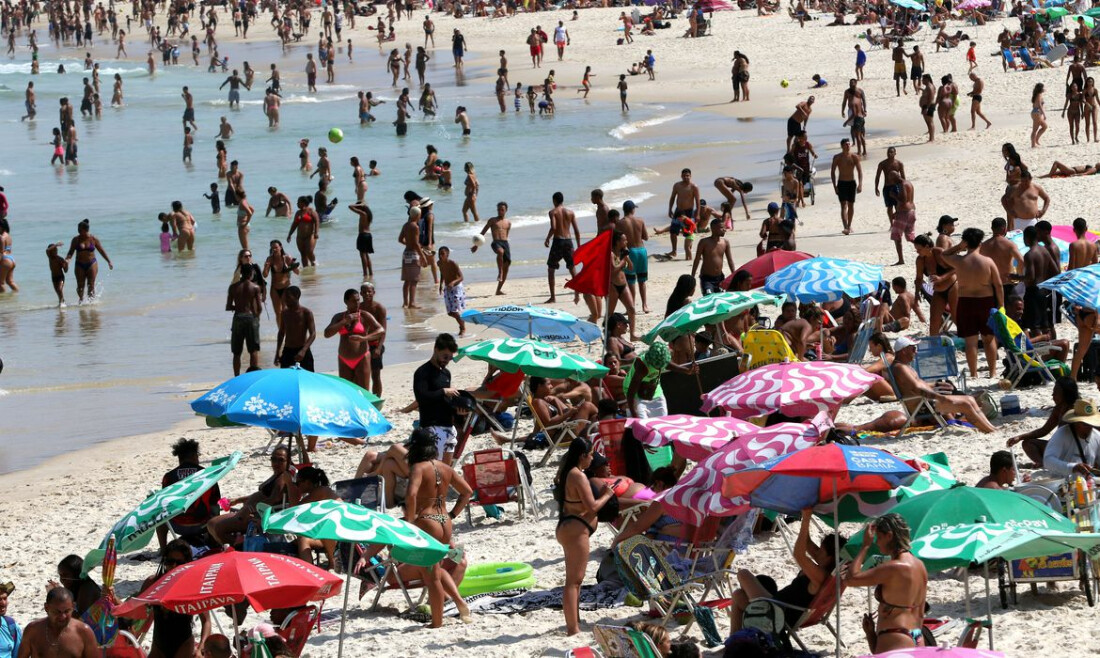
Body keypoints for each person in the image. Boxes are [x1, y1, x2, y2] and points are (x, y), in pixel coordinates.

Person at [402, 429, 473, 627]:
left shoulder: (418, 467)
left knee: (431, 575)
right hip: (445, 522)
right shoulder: (445, 467)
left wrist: (410, 520)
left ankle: (437, 622)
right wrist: (452, 514)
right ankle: (458, 603)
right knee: (437, 566)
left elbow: (411, 495)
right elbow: (467, 492)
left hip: (427, 521)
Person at [728, 509, 842, 632]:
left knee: (743, 574)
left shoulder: (819, 576)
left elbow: (799, 554)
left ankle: (745, 633)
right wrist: (805, 517)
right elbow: (807, 544)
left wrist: (807, 519)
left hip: (776, 613)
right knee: (738, 595)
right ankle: (735, 640)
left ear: (830, 557)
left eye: (821, 550)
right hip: (780, 607)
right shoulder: (826, 572)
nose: (817, 551)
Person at [555, 437, 614, 636]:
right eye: (590, 455)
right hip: (575, 530)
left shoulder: (569, 472)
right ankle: (572, 629)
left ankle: (575, 620)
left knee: (574, 581)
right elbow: (592, 507)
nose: (592, 460)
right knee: (574, 581)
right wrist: (607, 494)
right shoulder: (577, 476)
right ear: (582, 456)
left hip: (570, 526)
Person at [845, 514, 927, 653]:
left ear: (889, 536)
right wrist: (871, 633)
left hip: (896, 636)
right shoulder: (920, 566)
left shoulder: (895, 567)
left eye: (879, 537)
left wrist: (865, 546)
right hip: (917, 636)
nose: (876, 543)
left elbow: (851, 579)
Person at [936, 228, 1002, 377]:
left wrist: (960, 246)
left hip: (966, 302)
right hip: (986, 301)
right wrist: (1001, 305)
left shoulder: (959, 261)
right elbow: (998, 285)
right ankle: (992, 372)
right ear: (980, 242)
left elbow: (944, 254)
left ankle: (973, 373)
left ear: (966, 242)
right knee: (989, 338)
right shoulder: (987, 261)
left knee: (970, 341)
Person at [207, 446, 297, 545]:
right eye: (273, 459)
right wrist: (238, 500)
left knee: (218, 528)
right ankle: (236, 545)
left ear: (288, 461)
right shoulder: (277, 474)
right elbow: (261, 495)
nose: (276, 463)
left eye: (281, 460)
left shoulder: (283, 478)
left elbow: (274, 499)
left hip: (259, 516)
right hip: (249, 513)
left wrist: (250, 508)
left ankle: (238, 549)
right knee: (211, 523)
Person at [140, 539, 211, 658]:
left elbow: (206, 621)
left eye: (179, 562)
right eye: (170, 561)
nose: (173, 566)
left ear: (186, 563)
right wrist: (112, 596)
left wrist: (201, 648)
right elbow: (134, 609)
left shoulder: (192, 586)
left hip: (184, 645)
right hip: (158, 645)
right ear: (164, 561)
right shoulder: (153, 583)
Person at [155, 439, 221, 550]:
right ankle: (213, 541)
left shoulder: (169, 476)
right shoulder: (207, 474)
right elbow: (215, 500)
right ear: (194, 456)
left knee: (159, 515)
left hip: (177, 525)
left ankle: (163, 549)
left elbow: (164, 503)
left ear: (179, 458)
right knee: (215, 506)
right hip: (203, 525)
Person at [414, 334, 461, 464]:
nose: (447, 361)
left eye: (450, 358)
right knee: (436, 469)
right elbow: (422, 397)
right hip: (431, 426)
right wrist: (443, 391)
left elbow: (445, 401)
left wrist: (458, 409)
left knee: (446, 470)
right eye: (445, 356)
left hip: (448, 427)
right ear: (436, 349)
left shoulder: (446, 373)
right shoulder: (422, 372)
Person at [324, 288, 384, 392]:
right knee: (347, 391)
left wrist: (364, 338)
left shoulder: (364, 315)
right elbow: (327, 333)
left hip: (361, 357)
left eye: (358, 300)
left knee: (363, 392)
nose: (357, 303)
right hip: (344, 359)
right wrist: (344, 321)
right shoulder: (339, 317)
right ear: (346, 302)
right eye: (353, 301)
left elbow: (381, 330)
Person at [17, 588, 97, 658]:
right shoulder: (33, 630)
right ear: (46, 608)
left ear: (73, 607)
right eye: (57, 612)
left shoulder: (84, 632)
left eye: (66, 611)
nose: (62, 616)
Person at [625, 340, 696, 419]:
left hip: (654, 391)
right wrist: (634, 413)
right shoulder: (642, 368)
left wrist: (687, 371)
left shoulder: (662, 359)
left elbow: (669, 365)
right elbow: (630, 393)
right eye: (658, 365)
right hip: (636, 394)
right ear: (651, 362)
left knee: (662, 421)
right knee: (643, 424)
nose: (660, 367)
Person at [292, 466, 339, 567]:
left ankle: (326, 565)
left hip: (338, 535)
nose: (297, 486)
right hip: (330, 535)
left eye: (298, 483)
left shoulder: (321, 491)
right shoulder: (320, 492)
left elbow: (294, 509)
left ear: (308, 482)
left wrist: (290, 487)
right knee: (298, 541)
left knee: (302, 539)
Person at [1043, 398, 1100, 477]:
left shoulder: (1097, 436)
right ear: (1076, 422)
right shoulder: (1062, 434)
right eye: (1085, 424)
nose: (1089, 427)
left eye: (1091, 423)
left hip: (1087, 485)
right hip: (1062, 484)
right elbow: (1048, 461)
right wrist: (1073, 467)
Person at [64, 219, 112, 303]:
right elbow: (70, 252)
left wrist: (109, 261)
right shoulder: (76, 240)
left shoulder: (93, 239)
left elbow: (101, 250)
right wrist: (67, 260)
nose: (78, 230)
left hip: (92, 263)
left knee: (91, 285)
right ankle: (81, 300)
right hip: (79, 264)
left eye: (79, 229)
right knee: (80, 287)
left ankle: (91, 304)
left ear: (85, 230)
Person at [472, 202, 512, 295]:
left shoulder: (508, 223)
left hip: (505, 243)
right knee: (500, 252)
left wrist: (506, 245)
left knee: (507, 267)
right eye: (498, 209)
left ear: (506, 210)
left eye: (502, 210)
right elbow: (483, 233)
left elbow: (506, 235)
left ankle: (498, 290)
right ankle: (499, 272)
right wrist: (476, 245)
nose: (500, 211)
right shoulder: (492, 220)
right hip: (496, 242)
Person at [275, 286, 316, 372]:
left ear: (296, 296)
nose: (285, 300)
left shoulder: (306, 313)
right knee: (286, 380)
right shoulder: (284, 313)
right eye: (284, 298)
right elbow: (281, 332)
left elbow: (313, 334)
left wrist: (303, 350)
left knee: (307, 380)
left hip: (302, 351)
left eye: (288, 297)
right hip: (287, 351)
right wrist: (277, 352)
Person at [692, 219, 734, 295]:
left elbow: (730, 260)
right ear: (713, 229)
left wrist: (734, 274)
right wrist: (692, 276)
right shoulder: (704, 242)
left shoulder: (725, 242)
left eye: (724, 227)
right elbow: (697, 260)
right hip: (706, 278)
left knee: (721, 299)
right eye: (721, 227)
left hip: (720, 278)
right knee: (709, 298)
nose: (724, 229)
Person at [830, 138, 862, 236]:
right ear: (842, 146)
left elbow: (859, 171)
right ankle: (845, 227)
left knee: (851, 205)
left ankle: (849, 225)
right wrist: (835, 186)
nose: (848, 146)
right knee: (843, 205)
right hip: (842, 183)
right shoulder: (837, 157)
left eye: (849, 144)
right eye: (846, 145)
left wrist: (860, 184)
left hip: (851, 183)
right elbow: (832, 172)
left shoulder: (854, 157)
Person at [666, 169, 700, 260]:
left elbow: (697, 201)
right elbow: (672, 197)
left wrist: (697, 214)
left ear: (690, 176)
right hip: (678, 211)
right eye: (684, 176)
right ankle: (674, 250)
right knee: (673, 231)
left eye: (688, 175)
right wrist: (670, 209)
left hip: (689, 212)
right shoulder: (677, 185)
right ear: (681, 176)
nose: (686, 177)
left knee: (688, 233)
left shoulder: (694, 187)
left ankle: (688, 250)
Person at [438, 247, 466, 336]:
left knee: (454, 310)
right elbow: (442, 273)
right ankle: (461, 321)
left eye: (443, 253)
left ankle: (462, 327)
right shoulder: (439, 263)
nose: (441, 255)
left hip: (456, 288)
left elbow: (461, 277)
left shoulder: (453, 263)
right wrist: (440, 284)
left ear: (447, 254)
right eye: (439, 253)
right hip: (447, 288)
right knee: (450, 313)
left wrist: (453, 282)